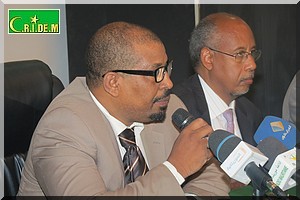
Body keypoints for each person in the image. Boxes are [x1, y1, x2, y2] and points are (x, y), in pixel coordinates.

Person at [17, 21, 230, 197]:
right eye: (156, 72)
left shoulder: (167, 107)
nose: (168, 83)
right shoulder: (62, 128)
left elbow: (212, 177)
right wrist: (175, 170)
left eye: (166, 69)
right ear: (113, 83)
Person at [172, 12, 263, 189]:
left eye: (252, 53)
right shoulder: (176, 110)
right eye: (240, 54)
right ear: (208, 58)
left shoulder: (251, 113)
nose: (252, 64)